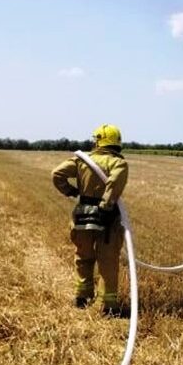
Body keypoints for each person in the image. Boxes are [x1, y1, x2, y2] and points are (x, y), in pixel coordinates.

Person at [51, 124, 129, 315]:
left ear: (98, 141)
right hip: (107, 219)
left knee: (83, 257)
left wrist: (71, 191)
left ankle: (82, 297)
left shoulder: (82, 160)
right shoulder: (118, 163)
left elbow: (57, 174)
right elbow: (114, 183)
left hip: (82, 216)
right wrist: (106, 206)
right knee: (107, 261)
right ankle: (107, 305)